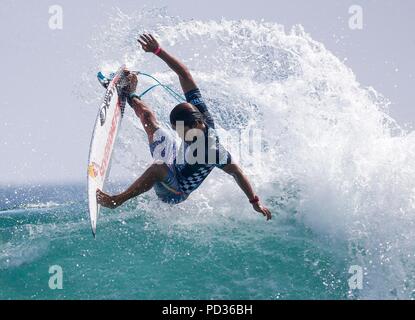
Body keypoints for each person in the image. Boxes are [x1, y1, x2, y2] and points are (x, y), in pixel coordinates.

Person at [96, 33, 271, 221]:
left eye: (181, 130)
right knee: (149, 119)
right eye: (176, 128)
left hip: (175, 191)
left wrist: (255, 202)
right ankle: (129, 93)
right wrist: (157, 50)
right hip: (174, 162)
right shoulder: (199, 112)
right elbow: (184, 74)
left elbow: (237, 172)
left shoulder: (211, 151)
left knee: (158, 167)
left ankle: (116, 201)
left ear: (196, 124)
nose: (179, 134)